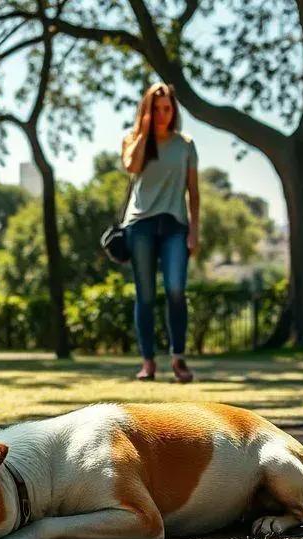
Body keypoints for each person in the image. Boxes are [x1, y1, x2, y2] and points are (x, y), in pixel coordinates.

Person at [120, 82, 200, 383]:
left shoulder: (186, 144)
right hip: (140, 224)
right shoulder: (133, 139)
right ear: (147, 109)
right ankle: (148, 362)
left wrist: (195, 231)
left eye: (167, 108)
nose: (163, 113)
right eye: (156, 108)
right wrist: (144, 130)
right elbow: (132, 166)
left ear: (174, 110)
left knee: (176, 290)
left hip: (175, 225)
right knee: (146, 295)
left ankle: (178, 358)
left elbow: (194, 192)